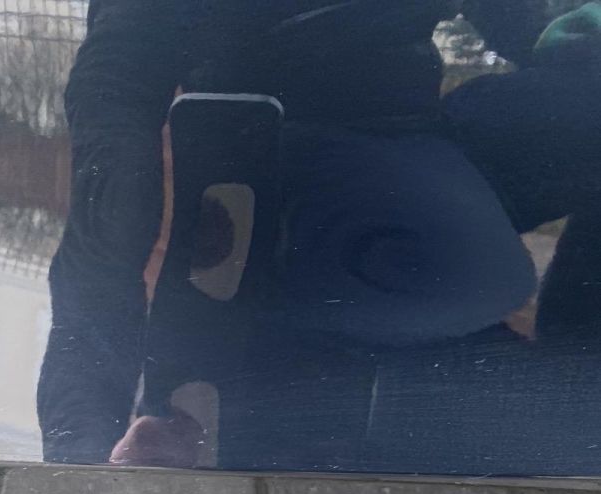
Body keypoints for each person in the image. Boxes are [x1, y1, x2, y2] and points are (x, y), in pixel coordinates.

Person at [38, 1, 601, 469]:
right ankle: (262, 390)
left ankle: (573, 361)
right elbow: (112, 111)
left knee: (471, 275)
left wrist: (573, 44)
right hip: (269, 152)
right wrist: (78, 451)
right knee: (460, 280)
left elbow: (520, 23)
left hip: (409, 130)